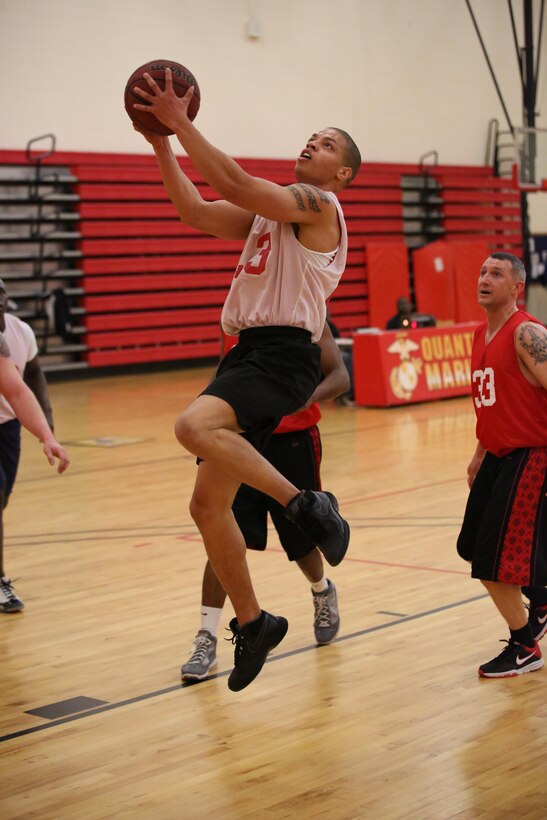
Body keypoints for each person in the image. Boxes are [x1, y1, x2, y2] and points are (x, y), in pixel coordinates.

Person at [132, 68, 361, 690]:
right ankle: (254, 623)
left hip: (283, 355)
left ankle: (306, 504)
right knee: (207, 506)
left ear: (342, 174)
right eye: (309, 138)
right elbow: (195, 211)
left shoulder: (320, 206)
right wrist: (160, 142)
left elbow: (231, 180)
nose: (311, 145)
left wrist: (182, 122)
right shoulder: (270, 217)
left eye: (327, 144)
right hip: (246, 356)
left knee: (192, 424)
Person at [182, 321, 349, 681]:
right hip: (241, 439)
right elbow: (228, 372)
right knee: (220, 529)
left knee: (302, 539)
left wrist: (304, 395)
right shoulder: (243, 320)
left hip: (293, 440)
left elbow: (340, 376)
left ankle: (321, 591)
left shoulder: (306, 317)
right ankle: (207, 634)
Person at [456, 252, 547, 678]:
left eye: (496, 273)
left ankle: (525, 645)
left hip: (531, 454)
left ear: (516, 288)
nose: (485, 278)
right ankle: (541, 592)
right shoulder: (480, 335)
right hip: (496, 454)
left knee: (492, 564)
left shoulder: (526, 333)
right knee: (471, 546)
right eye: (482, 270)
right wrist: (479, 452)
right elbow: (491, 402)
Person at [0, 281, 63, 612]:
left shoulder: (14, 334)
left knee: (2, 499)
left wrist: (46, 433)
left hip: (7, 426)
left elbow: (21, 388)